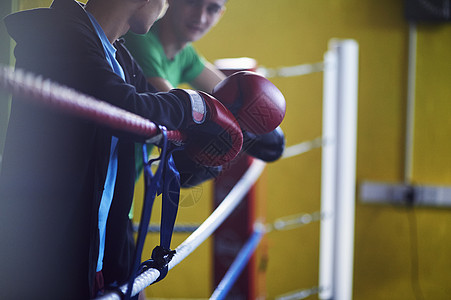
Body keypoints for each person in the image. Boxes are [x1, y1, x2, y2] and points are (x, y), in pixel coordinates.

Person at [0, 0, 243, 298]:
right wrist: (197, 105)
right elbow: (126, 107)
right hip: (47, 252)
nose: (165, 9)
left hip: (98, 250)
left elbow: (157, 120)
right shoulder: (61, 36)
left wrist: (204, 155)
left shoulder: (119, 57)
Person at [124, 0, 285, 166]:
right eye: (192, 2)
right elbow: (179, 108)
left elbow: (231, 90)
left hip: (123, 173)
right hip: (104, 168)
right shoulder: (140, 41)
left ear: (220, 14)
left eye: (212, 9)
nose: (200, 17)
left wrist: (260, 127)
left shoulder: (185, 55)